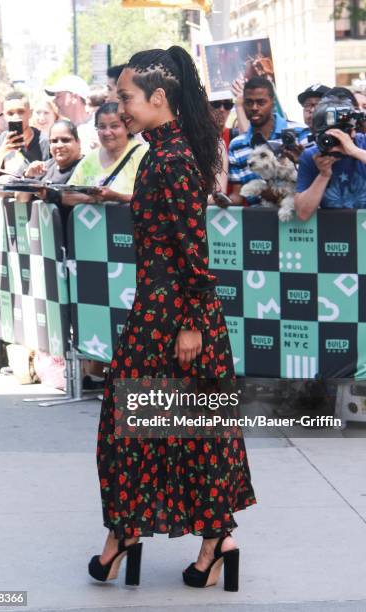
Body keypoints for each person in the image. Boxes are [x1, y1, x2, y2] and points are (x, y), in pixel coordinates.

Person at [89, 46, 256, 591]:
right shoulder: (162, 155)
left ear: (159, 98)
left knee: (176, 427)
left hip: (177, 313)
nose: (121, 109)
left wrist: (191, 324)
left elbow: (193, 250)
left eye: (127, 99)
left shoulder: (173, 158)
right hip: (161, 307)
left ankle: (194, 540)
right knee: (167, 426)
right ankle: (150, 532)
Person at [226, 76, 307, 206]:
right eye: (248, 102)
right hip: (258, 221)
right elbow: (238, 196)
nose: (254, 107)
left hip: (296, 220)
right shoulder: (236, 145)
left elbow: (313, 183)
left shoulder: (300, 133)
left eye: (261, 102)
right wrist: (223, 201)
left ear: (273, 103)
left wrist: (277, 195)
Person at [63, 101, 148, 207]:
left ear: (127, 128)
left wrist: (117, 197)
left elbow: (153, 198)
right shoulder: (89, 159)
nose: (107, 132)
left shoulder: (143, 155)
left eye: (114, 126)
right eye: (102, 127)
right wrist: (92, 199)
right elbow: (67, 195)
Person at [294, 96, 366, 220]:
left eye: (340, 133)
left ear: (353, 131)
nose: (335, 139)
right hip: (334, 230)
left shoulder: (362, 143)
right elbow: (302, 213)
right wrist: (323, 175)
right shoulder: (311, 156)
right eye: (328, 135)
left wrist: (355, 151)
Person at [16, 119, 83, 231]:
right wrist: (28, 177)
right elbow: (20, 199)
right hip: (47, 238)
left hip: (77, 235)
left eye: (65, 140)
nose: (59, 145)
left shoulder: (86, 166)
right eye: (54, 141)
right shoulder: (43, 168)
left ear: (78, 142)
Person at [0, 90, 50, 175]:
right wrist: (3, 150)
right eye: (10, 113)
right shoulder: (3, 138)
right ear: (4, 116)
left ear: (30, 113)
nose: (16, 117)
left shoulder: (44, 141)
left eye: (21, 112)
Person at [45, 75, 93, 153]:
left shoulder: (99, 127)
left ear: (74, 97)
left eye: (58, 96)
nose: (54, 101)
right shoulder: (65, 129)